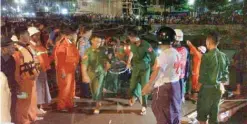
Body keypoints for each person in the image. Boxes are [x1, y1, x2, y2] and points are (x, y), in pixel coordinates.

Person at [142, 26, 182, 124]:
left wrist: (149, 85)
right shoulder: (176, 53)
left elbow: (158, 71)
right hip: (175, 86)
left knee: (163, 115)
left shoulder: (165, 54)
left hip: (165, 89)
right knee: (173, 114)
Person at [197, 32, 229, 124]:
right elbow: (225, 75)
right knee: (214, 114)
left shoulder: (206, 56)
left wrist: (196, 90)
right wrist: (221, 85)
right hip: (218, 89)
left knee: (202, 115)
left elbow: (202, 76)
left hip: (207, 89)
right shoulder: (224, 56)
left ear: (208, 42)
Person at [13, 27, 42, 124]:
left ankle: (30, 116)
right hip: (22, 81)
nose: (29, 37)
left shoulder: (27, 47)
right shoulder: (17, 49)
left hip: (30, 79)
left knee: (30, 100)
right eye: (27, 35)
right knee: (22, 101)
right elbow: (16, 68)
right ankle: (22, 120)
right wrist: (18, 82)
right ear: (21, 36)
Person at [127, 27, 157, 115]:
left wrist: (154, 66)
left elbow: (153, 56)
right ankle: (133, 96)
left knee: (145, 87)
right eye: (129, 37)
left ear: (137, 37)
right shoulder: (132, 44)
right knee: (132, 85)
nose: (130, 39)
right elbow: (132, 52)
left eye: (132, 37)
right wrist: (128, 62)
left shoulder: (146, 45)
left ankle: (144, 106)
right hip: (135, 67)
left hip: (145, 68)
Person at [51, 26, 80, 111]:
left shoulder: (70, 43)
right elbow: (60, 61)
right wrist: (63, 72)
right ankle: (61, 106)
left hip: (70, 70)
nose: (76, 36)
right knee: (65, 89)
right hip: (65, 71)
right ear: (70, 35)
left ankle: (69, 104)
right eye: (75, 34)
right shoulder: (63, 44)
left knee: (70, 88)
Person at [81, 36, 110, 114]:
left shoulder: (103, 50)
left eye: (100, 42)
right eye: (97, 41)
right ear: (92, 41)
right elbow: (84, 64)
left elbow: (106, 59)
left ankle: (98, 104)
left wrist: (107, 64)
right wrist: (84, 75)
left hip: (101, 72)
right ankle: (98, 99)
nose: (98, 43)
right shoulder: (88, 51)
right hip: (92, 73)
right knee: (94, 89)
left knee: (98, 88)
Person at [28, 27, 52, 115]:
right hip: (37, 70)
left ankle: (40, 106)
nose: (38, 37)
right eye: (36, 35)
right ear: (31, 36)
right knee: (38, 89)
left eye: (38, 35)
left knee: (41, 88)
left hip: (42, 70)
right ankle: (37, 107)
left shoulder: (38, 45)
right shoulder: (31, 46)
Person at [1, 36, 19, 123]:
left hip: (11, 89)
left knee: (12, 110)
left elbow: (12, 74)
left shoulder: (12, 59)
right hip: (2, 92)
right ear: (4, 49)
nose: (14, 48)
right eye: (11, 47)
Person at [172, 29, 189, 102]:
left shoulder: (182, 50)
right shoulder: (184, 50)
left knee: (176, 97)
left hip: (176, 77)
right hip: (177, 77)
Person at [77, 25, 93, 98]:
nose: (91, 34)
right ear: (87, 32)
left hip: (86, 62)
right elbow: (82, 52)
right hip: (85, 62)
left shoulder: (86, 40)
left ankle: (85, 93)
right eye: (90, 32)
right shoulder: (82, 40)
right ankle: (85, 93)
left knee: (85, 76)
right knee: (84, 76)